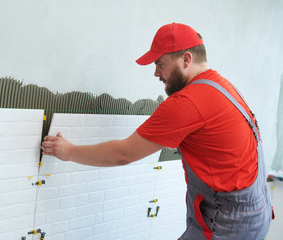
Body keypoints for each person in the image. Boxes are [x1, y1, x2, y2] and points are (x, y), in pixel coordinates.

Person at [41, 23, 274, 239]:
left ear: (186, 59)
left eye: (160, 64)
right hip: (256, 213)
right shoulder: (223, 87)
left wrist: (68, 152)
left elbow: (124, 154)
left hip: (227, 224)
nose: (156, 73)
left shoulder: (189, 102)